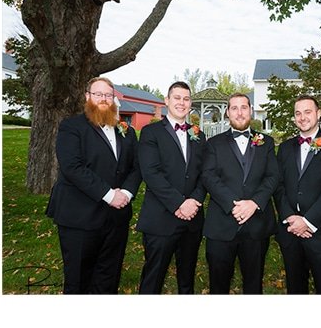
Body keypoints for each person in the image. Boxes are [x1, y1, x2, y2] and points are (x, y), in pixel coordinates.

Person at [45, 77, 140, 294]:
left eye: (108, 95)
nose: (104, 99)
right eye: (98, 94)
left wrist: (125, 192)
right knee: (79, 279)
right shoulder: (71, 127)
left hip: (117, 218)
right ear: (87, 97)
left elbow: (137, 167)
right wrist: (108, 194)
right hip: (80, 216)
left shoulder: (126, 131)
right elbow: (72, 167)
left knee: (109, 276)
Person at [202, 93, 279, 295]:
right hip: (222, 225)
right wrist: (232, 204)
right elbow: (208, 176)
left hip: (257, 226)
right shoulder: (213, 143)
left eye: (244, 107)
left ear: (250, 110)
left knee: (254, 285)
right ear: (227, 113)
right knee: (218, 286)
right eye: (234, 108)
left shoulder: (266, 142)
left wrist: (254, 203)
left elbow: (272, 176)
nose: (239, 112)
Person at [136, 80, 207, 295]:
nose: (181, 103)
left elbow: (205, 174)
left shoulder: (199, 135)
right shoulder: (151, 132)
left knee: (187, 278)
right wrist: (179, 203)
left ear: (190, 103)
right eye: (177, 98)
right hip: (161, 218)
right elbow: (151, 173)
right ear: (167, 101)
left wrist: (194, 201)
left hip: (192, 220)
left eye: (186, 99)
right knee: (153, 278)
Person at [274, 95, 321, 295]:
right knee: (295, 289)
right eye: (298, 113)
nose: (302, 117)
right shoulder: (284, 148)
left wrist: (307, 221)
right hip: (291, 233)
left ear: (318, 113)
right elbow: (278, 186)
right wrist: (291, 218)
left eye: (307, 112)